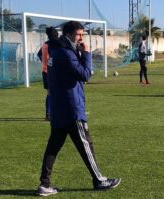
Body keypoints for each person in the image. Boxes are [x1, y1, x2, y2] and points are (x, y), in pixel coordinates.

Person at [37, 21, 121, 197]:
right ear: (69, 34)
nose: (81, 38)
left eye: (83, 34)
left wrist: (78, 52)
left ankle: (44, 184)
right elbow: (85, 74)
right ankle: (99, 180)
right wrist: (87, 53)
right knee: (86, 144)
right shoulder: (65, 53)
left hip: (59, 107)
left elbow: (43, 56)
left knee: (53, 147)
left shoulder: (55, 48)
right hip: (71, 107)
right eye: (79, 34)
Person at [38, 27, 59, 121]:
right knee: (59, 92)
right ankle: (53, 113)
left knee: (50, 93)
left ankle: (48, 113)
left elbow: (39, 54)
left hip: (45, 71)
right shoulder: (56, 43)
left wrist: (45, 62)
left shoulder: (45, 44)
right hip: (54, 71)